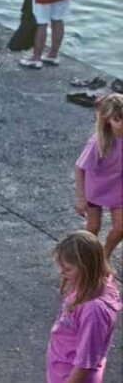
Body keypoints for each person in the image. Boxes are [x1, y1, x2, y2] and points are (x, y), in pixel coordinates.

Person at [46, 231, 121, 383]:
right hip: (62, 366)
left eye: (67, 269)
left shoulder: (93, 310)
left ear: (86, 268)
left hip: (71, 376)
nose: (61, 272)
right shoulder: (89, 283)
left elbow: (86, 362)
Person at [74, 94, 123, 259]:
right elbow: (80, 168)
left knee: (121, 227)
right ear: (107, 120)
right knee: (93, 227)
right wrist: (81, 198)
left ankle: (104, 255)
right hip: (96, 189)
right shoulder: (98, 142)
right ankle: (85, 257)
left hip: (118, 189)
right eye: (117, 119)